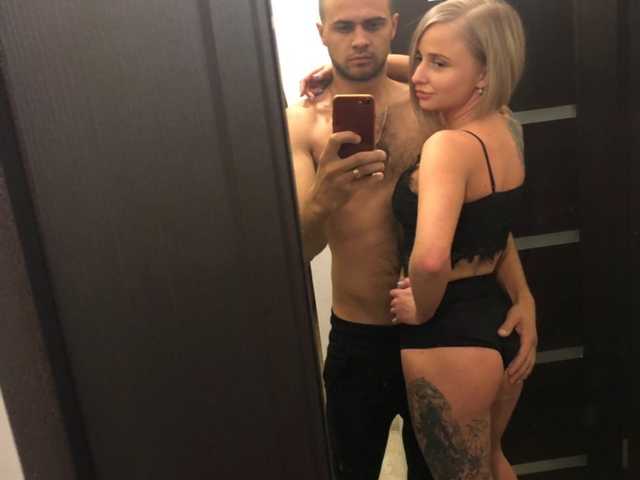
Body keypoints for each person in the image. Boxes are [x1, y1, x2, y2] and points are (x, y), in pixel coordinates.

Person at [287, 0, 536, 478]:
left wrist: (522, 294)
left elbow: (481, 222)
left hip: (436, 330)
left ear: (394, 27)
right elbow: (299, 248)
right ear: (322, 32)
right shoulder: (303, 123)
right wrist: (323, 197)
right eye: (344, 27)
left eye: (373, 24)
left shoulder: (432, 108)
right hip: (360, 337)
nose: (360, 39)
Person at [387, 1, 529, 478]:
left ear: (484, 74)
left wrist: (420, 309)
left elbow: (430, 260)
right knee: (493, 460)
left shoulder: (447, 147)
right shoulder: (507, 126)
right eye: (419, 58)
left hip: (447, 337)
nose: (418, 75)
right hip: (497, 321)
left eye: (438, 63)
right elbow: (493, 227)